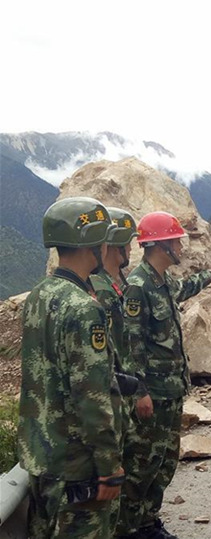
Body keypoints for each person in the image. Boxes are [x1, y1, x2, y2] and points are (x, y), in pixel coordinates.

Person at [116, 211, 211, 539]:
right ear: (162, 245)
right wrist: (140, 392)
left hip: (171, 391)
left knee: (163, 464)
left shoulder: (161, 281)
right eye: (176, 240)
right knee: (141, 466)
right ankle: (129, 528)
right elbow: (131, 346)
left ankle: (148, 522)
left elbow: (184, 287)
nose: (181, 245)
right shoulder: (138, 286)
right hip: (153, 393)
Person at [17, 197, 124, 538]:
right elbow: (91, 396)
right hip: (78, 464)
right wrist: (108, 466)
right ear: (92, 244)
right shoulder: (83, 308)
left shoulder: (39, 294)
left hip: (41, 455)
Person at [88, 207, 140, 528]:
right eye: (128, 243)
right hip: (108, 405)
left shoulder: (114, 284)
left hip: (121, 399)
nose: (132, 249)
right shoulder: (99, 293)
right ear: (114, 247)